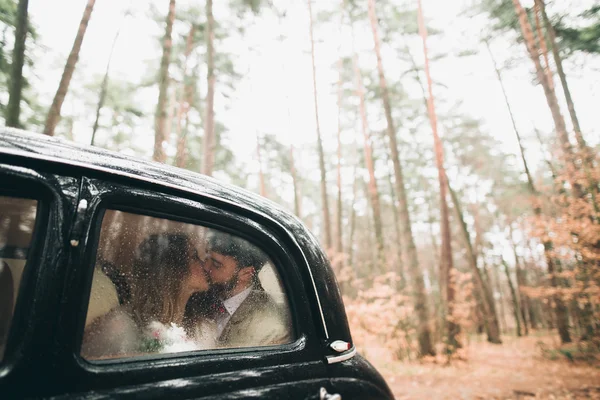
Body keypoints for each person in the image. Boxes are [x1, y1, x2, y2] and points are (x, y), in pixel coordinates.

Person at [81, 233, 215, 359]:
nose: (203, 264)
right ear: (173, 272)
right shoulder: (120, 327)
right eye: (194, 257)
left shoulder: (203, 330)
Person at [198, 231, 292, 348]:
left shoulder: (267, 329)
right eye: (207, 258)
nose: (205, 267)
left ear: (246, 273)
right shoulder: (201, 297)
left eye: (216, 265)